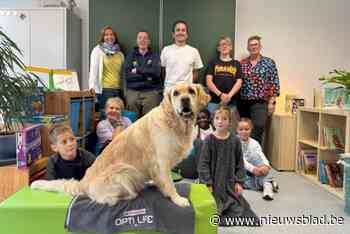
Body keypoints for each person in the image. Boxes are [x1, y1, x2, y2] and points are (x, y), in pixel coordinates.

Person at [198, 106, 259, 226]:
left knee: (238, 208)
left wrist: (238, 182)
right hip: (213, 183)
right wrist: (207, 183)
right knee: (210, 209)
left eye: (224, 119)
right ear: (213, 121)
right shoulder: (209, 140)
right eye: (217, 118)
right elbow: (203, 164)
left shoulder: (235, 140)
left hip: (229, 184)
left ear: (229, 122)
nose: (220, 121)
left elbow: (239, 163)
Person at [238, 35, 280, 145]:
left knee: (258, 127)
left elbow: (274, 82)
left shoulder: (269, 62)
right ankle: (244, 157)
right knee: (244, 130)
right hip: (243, 102)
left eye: (255, 44)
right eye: (251, 45)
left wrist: (272, 102)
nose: (253, 47)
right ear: (248, 48)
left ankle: (256, 156)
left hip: (260, 102)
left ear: (260, 46)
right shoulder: (241, 64)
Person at [236, 118, 278, 200]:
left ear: (251, 129)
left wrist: (266, 166)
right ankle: (268, 182)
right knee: (243, 182)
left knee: (255, 156)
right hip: (242, 170)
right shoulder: (234, 141)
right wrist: (253, 169)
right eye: (241, 129)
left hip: (255, 167)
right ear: (237, 130)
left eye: (246, 129)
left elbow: (261, 155)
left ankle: (267, 187)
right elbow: (240, 160)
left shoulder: (254, 143)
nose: (244, 132)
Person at [206, 36, 242, 129]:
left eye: (227, 44)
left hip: (231, 103)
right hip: (214, 102)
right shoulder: (213, 62)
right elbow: (208, 81)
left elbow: (239, 82)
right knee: (213, 129)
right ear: (218, 48)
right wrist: (221, 95)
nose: (225, 46)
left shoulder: (236, 64)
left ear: (231, 47)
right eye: (222, 44)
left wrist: (229, 96)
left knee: (231, 129)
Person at [123, 31, 162, 118]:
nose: (142, 40)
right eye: (140, 38)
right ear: (137, 41)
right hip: (133, 91)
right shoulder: (130, 56)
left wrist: (137, 70)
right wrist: (147, 76)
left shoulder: (155, 56)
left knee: (149, 119)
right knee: (132, 118)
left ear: (149, 41)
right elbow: (128, 76)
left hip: (151, 91)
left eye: (145, 38)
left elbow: (156, 73)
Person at [89, 26, 124, 113]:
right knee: (106, 116)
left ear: (115, 37)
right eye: (106, 35)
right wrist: (92, 87)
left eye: (112, 34)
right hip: (105, 90)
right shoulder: (97, 50)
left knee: (118, 116)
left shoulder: (120, 53)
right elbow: (93, 70)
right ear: (103, 37)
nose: (109, 37)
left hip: (118, 90)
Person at [160, 20, 203, 91]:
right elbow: (163, 70)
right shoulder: (166, 50)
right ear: (173, 34)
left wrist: (188, 85)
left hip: (186, 91)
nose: (180, 32)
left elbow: (195, 72)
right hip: (169, 90)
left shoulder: (194, 51)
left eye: (183, 30)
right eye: (178, 30)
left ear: (187, 34)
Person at [175, 108, 213, 179]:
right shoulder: (194, 131)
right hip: (194, 165)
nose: (201, 120)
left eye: (203, 117)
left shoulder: (215, 130)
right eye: (198, 118)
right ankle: (203, 176)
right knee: (198, 142)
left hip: (211, 163)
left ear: (209, 118)